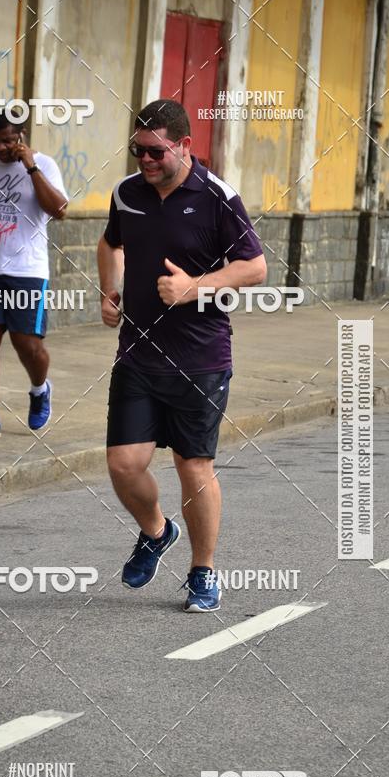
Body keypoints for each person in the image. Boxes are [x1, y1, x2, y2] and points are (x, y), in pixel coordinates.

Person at [98, 99, 267, 612]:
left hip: (200, 358)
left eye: (155, 151)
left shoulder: (218, 198)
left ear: (185, 145)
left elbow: (254, 267)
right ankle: (156, 530)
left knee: (193, 467)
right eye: (137, 150)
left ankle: (203, 573)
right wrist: (111, 290)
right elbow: (110, 244)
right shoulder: (127, 193)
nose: (144, 161)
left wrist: (194, 286)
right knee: (123, 464)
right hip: (138, 355)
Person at [0, 107, 68, 439]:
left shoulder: (44, 165)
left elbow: (59, 210)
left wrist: (30, 165)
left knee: (27, 344)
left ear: (21, 137)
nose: (2, 148)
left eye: (8, 140)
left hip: (27, 271)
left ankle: (39, 389)